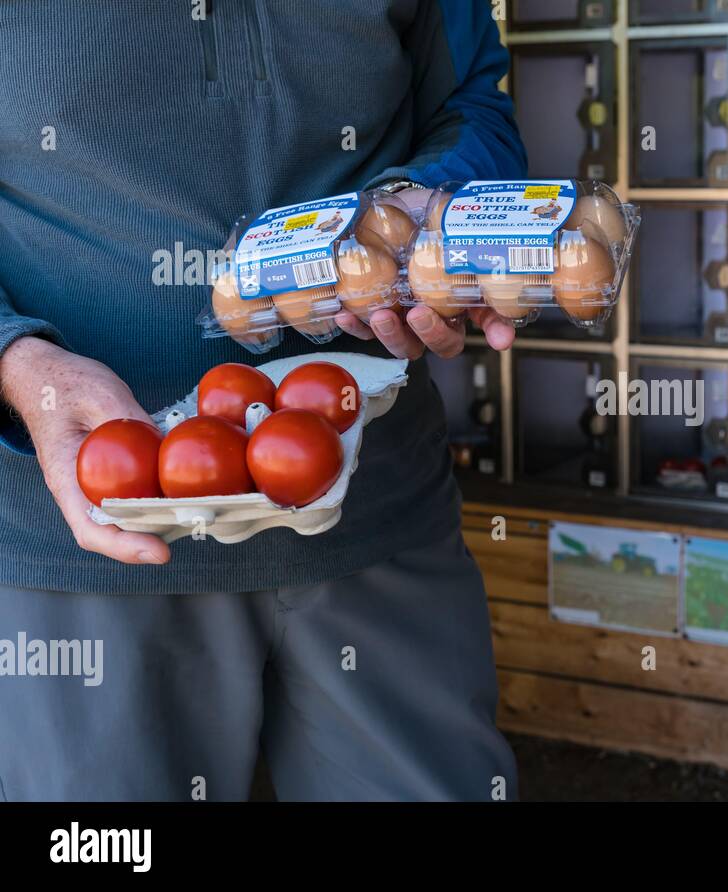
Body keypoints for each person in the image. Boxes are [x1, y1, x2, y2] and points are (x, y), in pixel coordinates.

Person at [0, 2, 524, 801]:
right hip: (82, 551)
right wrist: (17, 359)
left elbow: (466, 100)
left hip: (377, 509)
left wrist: (430, 205)